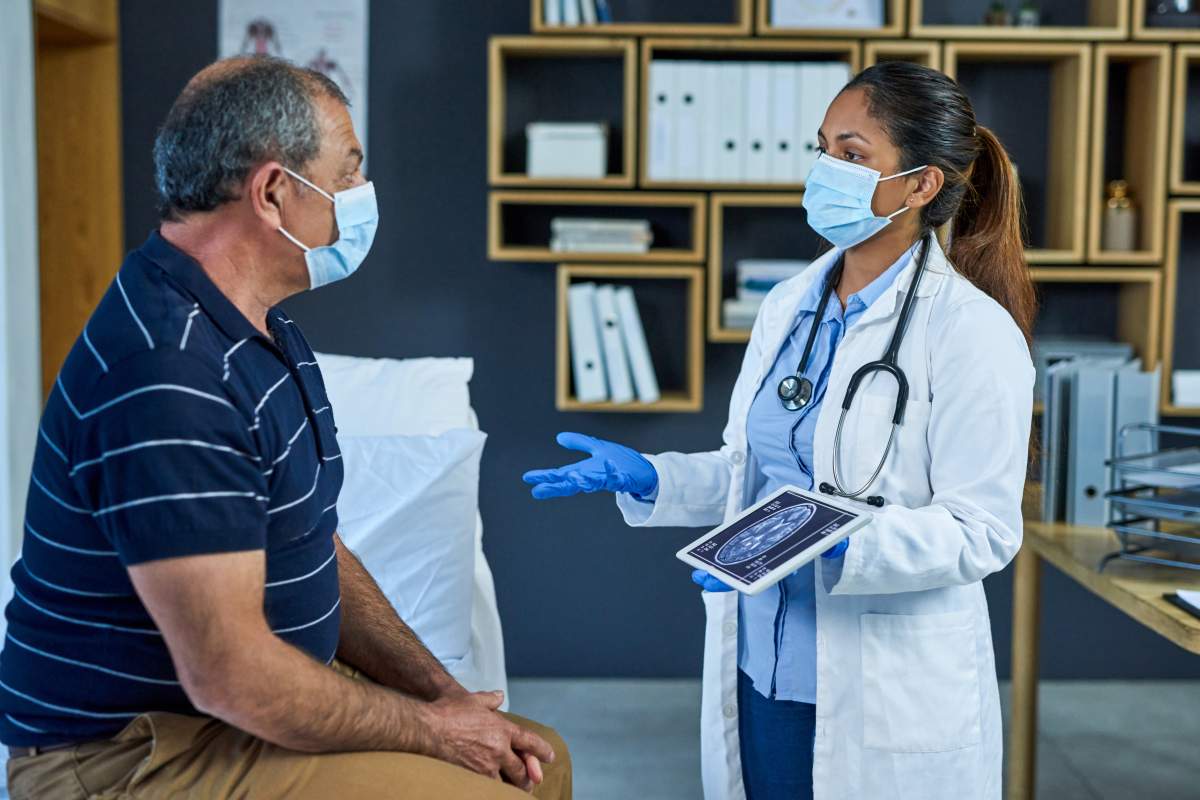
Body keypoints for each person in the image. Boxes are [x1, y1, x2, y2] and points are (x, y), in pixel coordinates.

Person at [1, 56, 570, 800]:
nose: (361, 197)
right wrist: (435, 732)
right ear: (273, 193)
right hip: (136, 756)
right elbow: (231, 675)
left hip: (226, 713)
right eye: (348, 173)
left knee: (539, 759)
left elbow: (308, 539)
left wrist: (445, 697)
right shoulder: (166, 376)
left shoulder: (256, 331)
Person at [524, 61, 1035, 800]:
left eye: (852, 155)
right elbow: (752, 470)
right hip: (761, 665)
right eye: (822, 147)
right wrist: (652, 475)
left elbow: (983, 530)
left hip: (878, 689)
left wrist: (836, 546)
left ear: (922, 185)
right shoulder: (791, 304)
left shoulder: (972, 334)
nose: (825, 169)